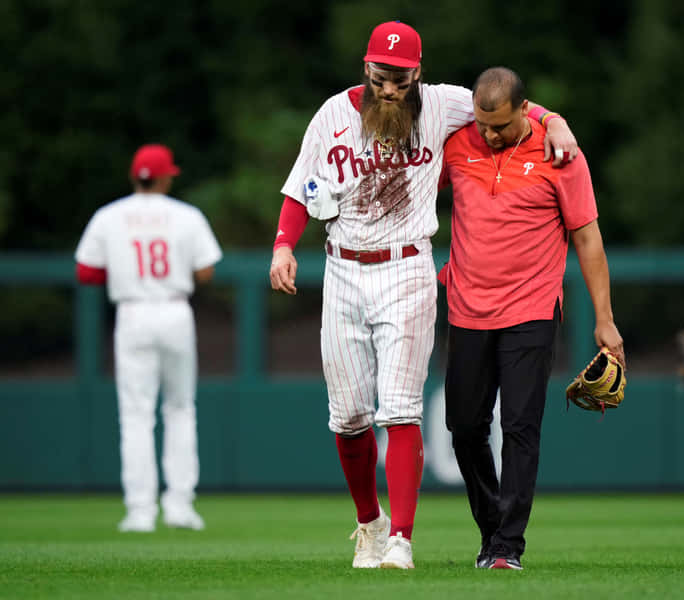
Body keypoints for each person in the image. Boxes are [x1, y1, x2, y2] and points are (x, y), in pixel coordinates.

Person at [268, 21, 579, 570]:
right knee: (347, 416)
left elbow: (510, 104)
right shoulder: (331, 115)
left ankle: (402, 540)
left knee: (402, 408)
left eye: (401, 78)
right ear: (367, 68)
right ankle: (370, 525)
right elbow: (300, 187)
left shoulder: (441, 105)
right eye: (382, 76)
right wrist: (282, 246)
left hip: (407, 266)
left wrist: (555, 123)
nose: (390, 89)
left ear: (418, 73)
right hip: (342, 268)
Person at [438, 67, 625, 570]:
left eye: (500, 125)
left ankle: (506, 548)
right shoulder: (457, 145)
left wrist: (604, 320)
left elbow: (587, 238)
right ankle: (491, 528)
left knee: (520, 427)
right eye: (483, 125)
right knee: (464, 426)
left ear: (525, 110)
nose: (490, 134)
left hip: (531, 310)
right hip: (466, 308)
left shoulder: (559, 153)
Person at [75, 144, 223, 532]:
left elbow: (86, 272)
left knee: (135, 415)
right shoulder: (185, 215)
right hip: (174, 309)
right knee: (179, 408)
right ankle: (179, 506)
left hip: (133, 312)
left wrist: (127, 275)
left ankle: (140, 511)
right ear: (164, 177)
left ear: (133, 176)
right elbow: (206, 271)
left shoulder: (109, 216)